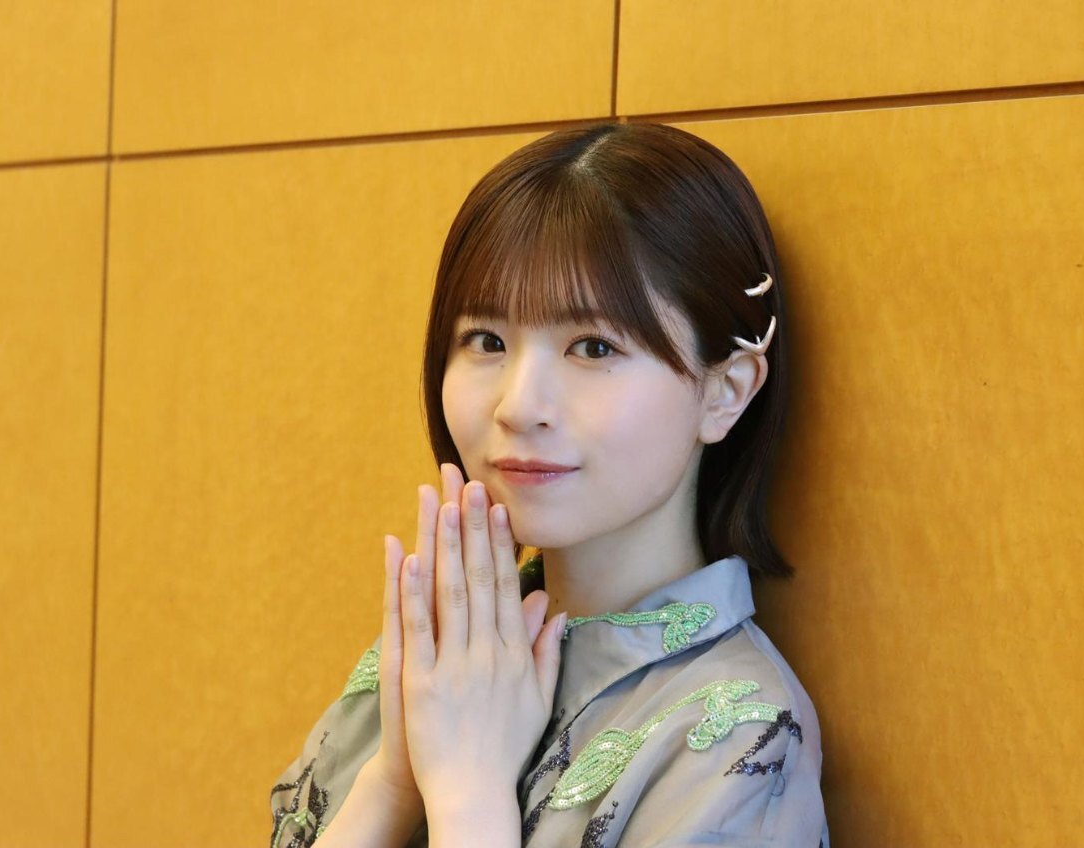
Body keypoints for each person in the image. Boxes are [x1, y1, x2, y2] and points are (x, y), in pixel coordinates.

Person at [269, 121, 829, 847]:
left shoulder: (739, 739)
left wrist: (468, 794)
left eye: (592, 347)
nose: (519, 405)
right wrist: (393, 784)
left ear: (725, 391)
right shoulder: (443, 662)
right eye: (487, 341)